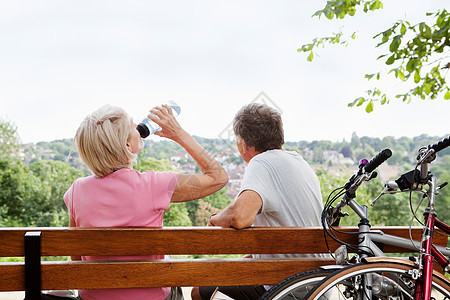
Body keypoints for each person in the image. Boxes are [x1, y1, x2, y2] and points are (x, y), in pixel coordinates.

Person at [64, 103, 228, 300]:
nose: (139, 129)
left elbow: (76, 255)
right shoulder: (155, 185)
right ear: (127, 145)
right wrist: (178, 133)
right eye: (133, 126)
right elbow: (218, 177)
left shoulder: (76, 191)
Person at [191, 103, 324, 300]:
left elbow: (241, 216)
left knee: (198, 292)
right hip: (317, 281)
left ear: (242, 142)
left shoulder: (261, 162)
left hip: (287, 285)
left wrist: (216, 219)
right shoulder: (300, 162)